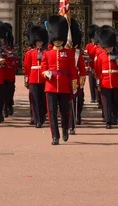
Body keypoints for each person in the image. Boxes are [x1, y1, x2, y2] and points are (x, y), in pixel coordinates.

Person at [40, 15, 78, 145]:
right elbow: (43, 68)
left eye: (59, 39)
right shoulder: (47, 53)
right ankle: (55, 136)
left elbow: (72, 69)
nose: (57, 41)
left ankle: (65, 129)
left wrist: (74, 83)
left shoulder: (69, 53)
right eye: (55, 39)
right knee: (52, 112)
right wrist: (46, 73)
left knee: (64, 111)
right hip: (51, 86)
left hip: (64, 85)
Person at [95, 26, 118, 129]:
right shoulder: (101, 56)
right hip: (105, 82)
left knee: (117, 101)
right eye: (108, 46)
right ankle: (108, 121)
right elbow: (98, 71)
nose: (109, 48)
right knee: (106, 103)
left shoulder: (117, 56)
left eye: (111, 46)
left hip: (116, 82)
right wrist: (98, 83)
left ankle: (114, 115)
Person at [23, 25, 48, 128]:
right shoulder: (29, 53)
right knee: (34, 100)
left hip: (44, 79)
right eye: (37, 41)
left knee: (43, 100)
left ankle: (42, 117)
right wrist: (26, 79)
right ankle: (37, 120)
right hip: (33, 78)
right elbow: (26, 67)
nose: (39, 43)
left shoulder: (46, 53)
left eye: (41, 41)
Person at [68, 18, 86, 134]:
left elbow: (82, 69)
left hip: (74, 81)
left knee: (73, 103)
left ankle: (72, 125)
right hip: (63, 80)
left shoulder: (77, 53)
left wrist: (80, 83)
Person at [85, 24, 99, 103]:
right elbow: (87, 56)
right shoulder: (88, 46)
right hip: (91, 67)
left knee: (97, 83)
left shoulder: (99, 46)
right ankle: (93, 97)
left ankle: (97, 97)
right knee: (91, 83)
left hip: (97, 67)